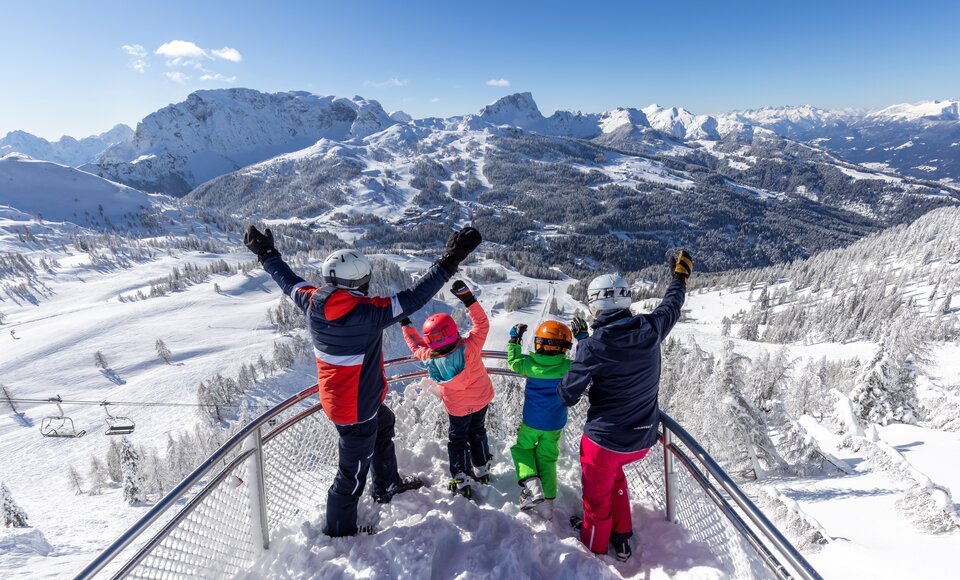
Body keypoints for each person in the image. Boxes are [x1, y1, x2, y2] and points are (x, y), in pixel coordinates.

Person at [244, 224, 482, 536]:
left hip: (346, 401)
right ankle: (340, 532)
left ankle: (386, 485)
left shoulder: (313, 301)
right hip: (354, 410)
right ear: (360, 281)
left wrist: (267, 254)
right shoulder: (367, 312)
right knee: (351, 473)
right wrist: (450, 260)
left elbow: (287, 281)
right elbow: (414, 298)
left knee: (384, 423)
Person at [559, 250, 693, 561]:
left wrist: (580, 350)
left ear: (595, 304)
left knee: (596, 500)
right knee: (616, 476)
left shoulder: (593, 346)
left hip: (604, 444)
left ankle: (593, 548)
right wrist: (680, 277)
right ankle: (621, 535)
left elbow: (568, 394)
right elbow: (672, 304)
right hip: (642, 441)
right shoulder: (651, 328)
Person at [400, 280, 494, 500]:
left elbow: (415, 345)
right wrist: (468, 299)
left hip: (458, 407)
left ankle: (461, 475)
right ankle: (481, 467)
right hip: (480, 399)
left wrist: (405, 324)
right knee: (478, 430)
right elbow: (482, 324)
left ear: (430, 341)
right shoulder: (470, 347)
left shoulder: (429, 358)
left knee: (458, 439)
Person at [505, 319, 583, 512]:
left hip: (531, 421)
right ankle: (548, 504)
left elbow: (513, 362)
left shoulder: (530, 365)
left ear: (539, 343)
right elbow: (584, 363)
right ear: (565, 348)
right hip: (555, 424)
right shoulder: (568, 368)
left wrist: (515, 340)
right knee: (547, 458)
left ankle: (531, 483)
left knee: (523, 449)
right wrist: (583, 338)